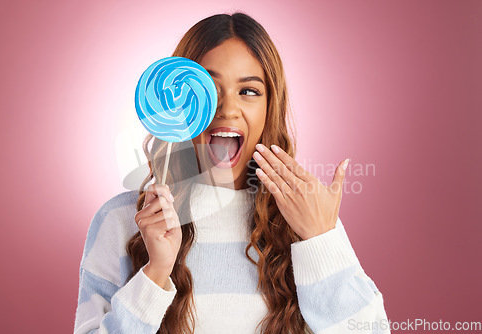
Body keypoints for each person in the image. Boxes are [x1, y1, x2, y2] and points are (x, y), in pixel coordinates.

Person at [74, 12, 390, 334]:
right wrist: (155, 274)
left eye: (249, 91)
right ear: (177, 105)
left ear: (270, 108)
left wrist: (321, 240)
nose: (226, 109)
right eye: (208, 89)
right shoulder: (123, 220)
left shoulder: (306, 217)